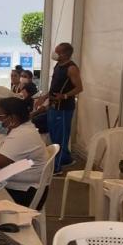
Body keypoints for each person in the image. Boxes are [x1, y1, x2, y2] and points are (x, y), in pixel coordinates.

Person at [0, 97, 48, 208]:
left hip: (24, 192)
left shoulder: (23, 134)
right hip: (16, 185)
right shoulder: (18, 130)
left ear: (13, 118)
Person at [38, 43, 83, 174]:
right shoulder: (58, 65)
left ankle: (56, 168)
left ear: (64, 54)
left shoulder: (71, 68)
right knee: (54, 134)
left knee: (60, 137)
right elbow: (54, 87)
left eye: (57, 52)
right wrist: (45, 97)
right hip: (53, 106)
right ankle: (65, 159)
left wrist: (64, 96)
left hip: (63, 109)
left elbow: (79, 88)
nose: (54, 53)